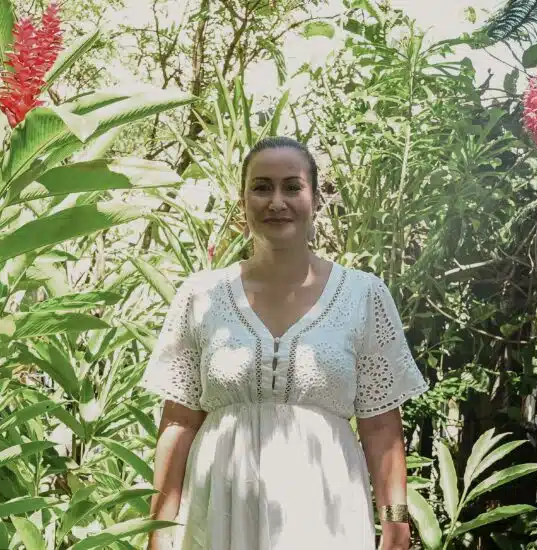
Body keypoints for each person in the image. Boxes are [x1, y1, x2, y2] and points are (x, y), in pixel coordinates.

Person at [141, 136, 430, 550]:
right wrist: (159, 528)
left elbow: (382, 426)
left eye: (292, 187)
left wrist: (396, 522)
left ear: (315, 200)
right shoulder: (201, 296)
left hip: (326, 511)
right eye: (262, 187)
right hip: (219, 509)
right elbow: (179, 422)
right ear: (242, 202)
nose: (277, 202)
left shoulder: (363, 295)